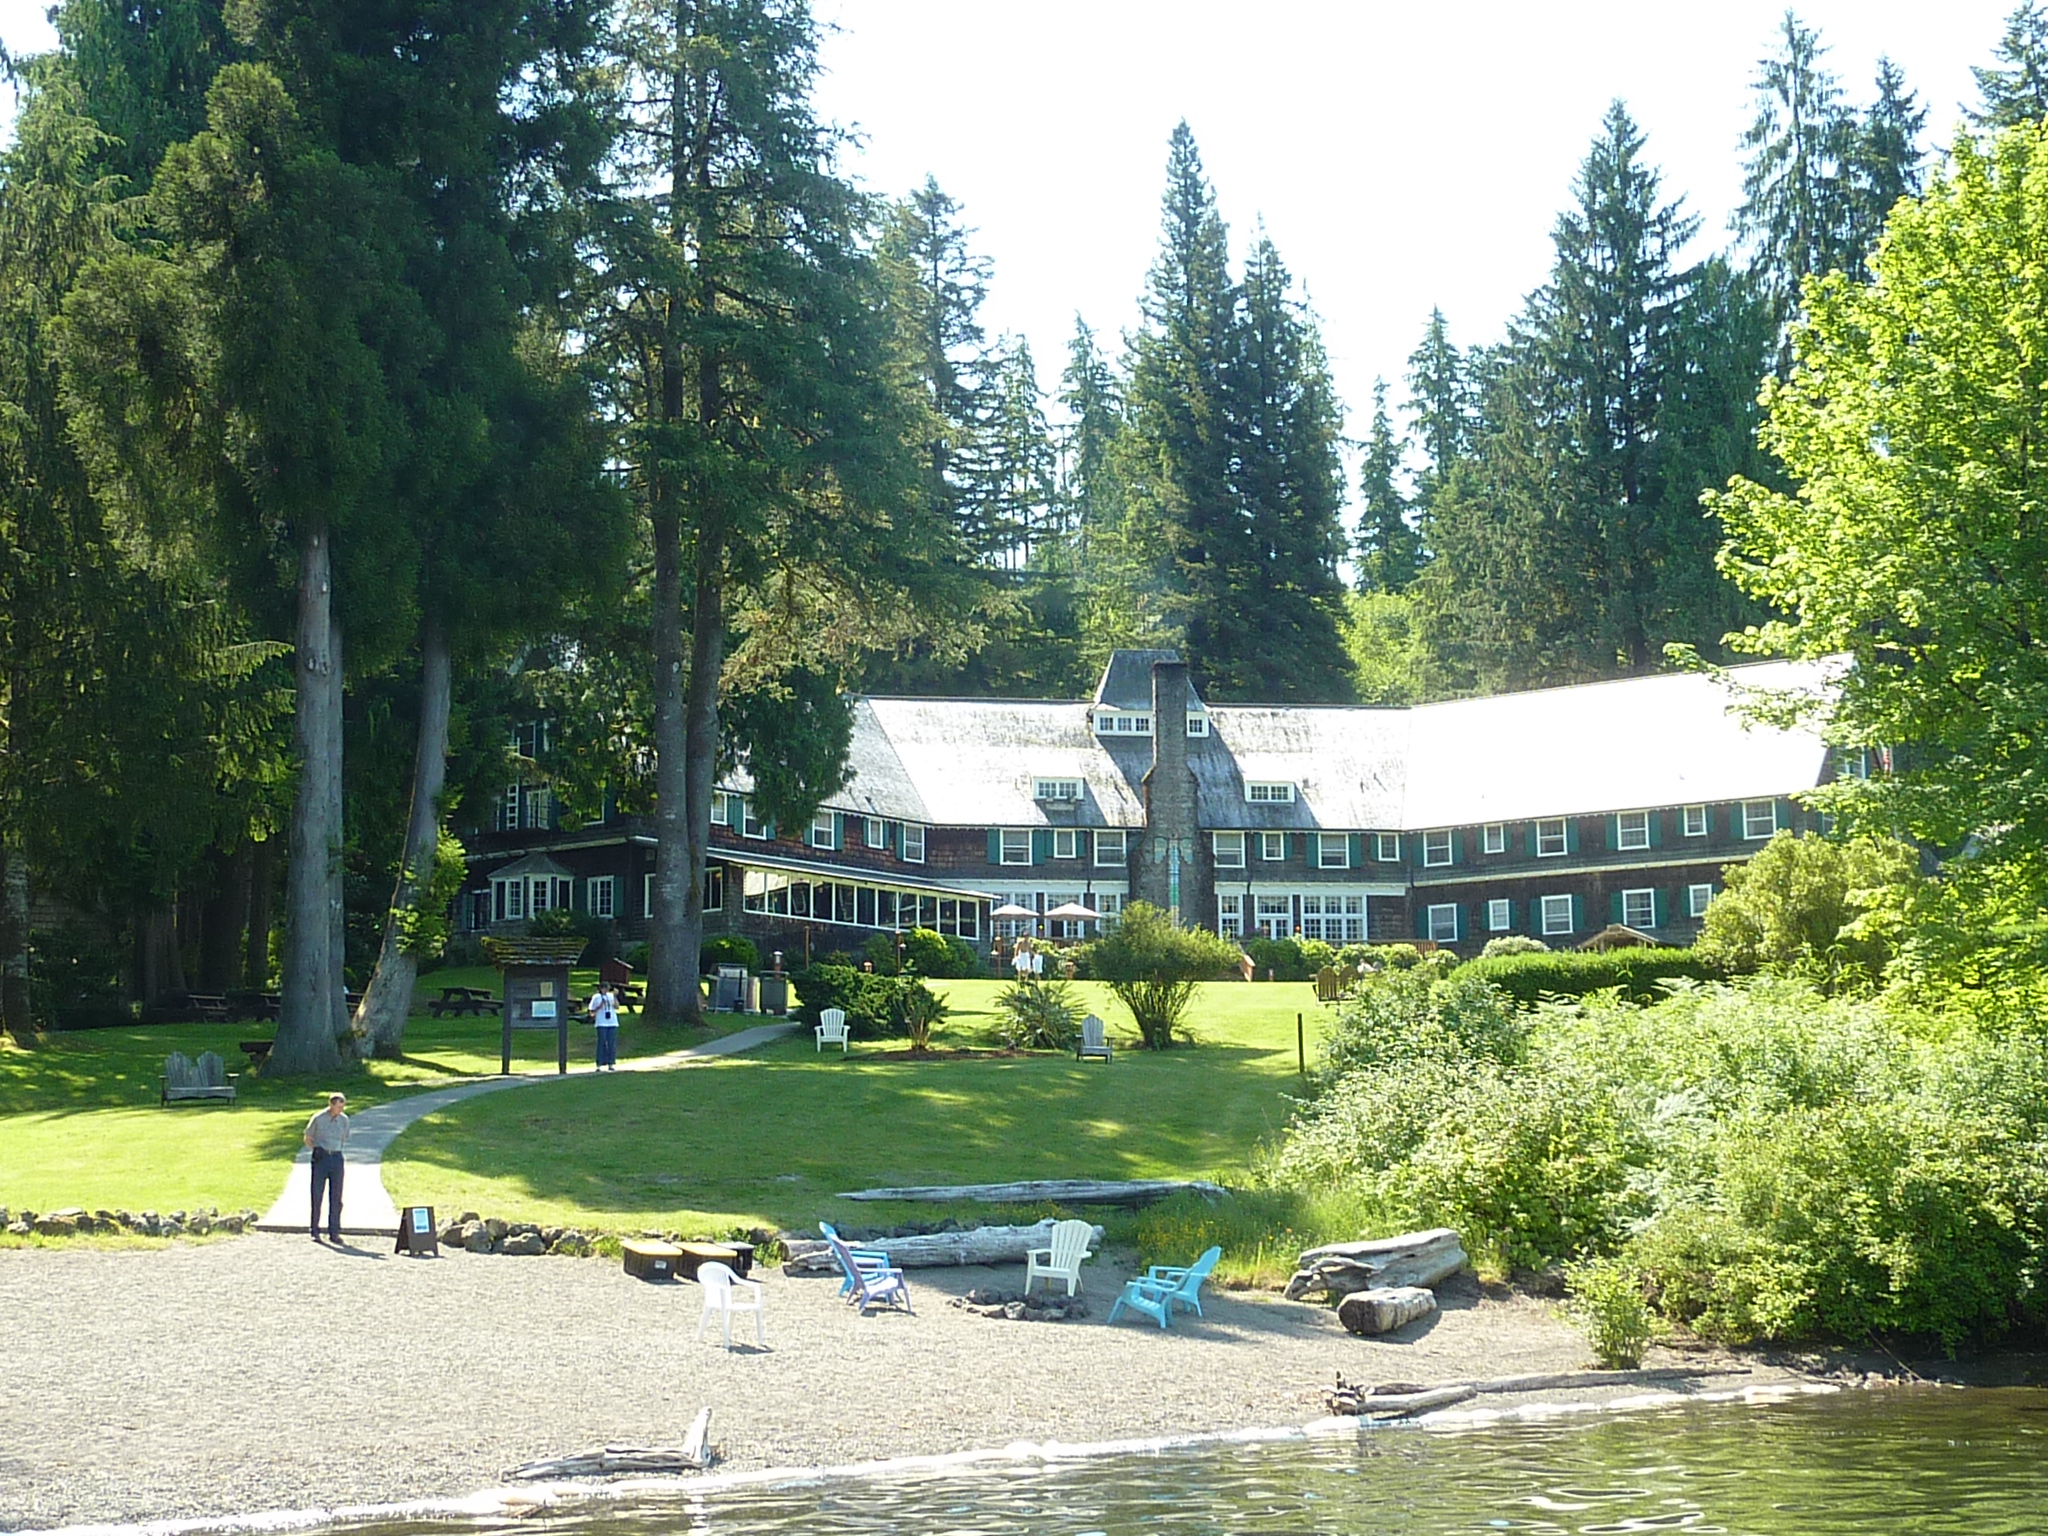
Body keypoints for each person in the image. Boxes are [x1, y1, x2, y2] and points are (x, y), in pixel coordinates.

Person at [303, 1093, 349, 1243]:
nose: (340, 1110)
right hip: (321, 1157)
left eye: (342, 1107)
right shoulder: (318, 1118)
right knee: (317, 1193)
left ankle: (334, 1231)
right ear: (331, 1105)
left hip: (336, 1157)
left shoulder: (344, 1120)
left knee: (336, 1196)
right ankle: (315, 1229)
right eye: (338, 1107)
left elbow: (344, 1138)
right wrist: (316, 1150)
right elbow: (308, 1137)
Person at [588, 981, 620, 1071]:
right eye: (604, 988)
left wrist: (615, 996)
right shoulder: (596, 997)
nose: (606, 990)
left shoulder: (611, 996)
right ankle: (599, 1063)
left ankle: (611, 1063)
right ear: (601, 989)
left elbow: (617, 1007)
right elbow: (591, 1013)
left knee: (611, 1043)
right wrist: (599, 1006)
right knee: (602, 1042)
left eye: (607, 989)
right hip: (601, 1023)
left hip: (612, 1022)